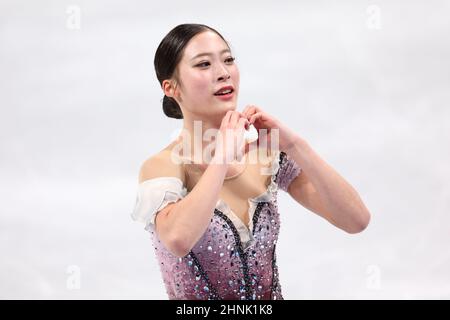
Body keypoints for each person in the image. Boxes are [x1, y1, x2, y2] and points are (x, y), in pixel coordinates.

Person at [131, 23, 371, 300]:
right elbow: (178, 239)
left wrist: (295, 145)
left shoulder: (265, 159)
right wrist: (222, 156)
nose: (223, 73)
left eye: (228, 60)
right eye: (204, 64)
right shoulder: (163, 167)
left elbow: (356, 220)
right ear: (171, 87)